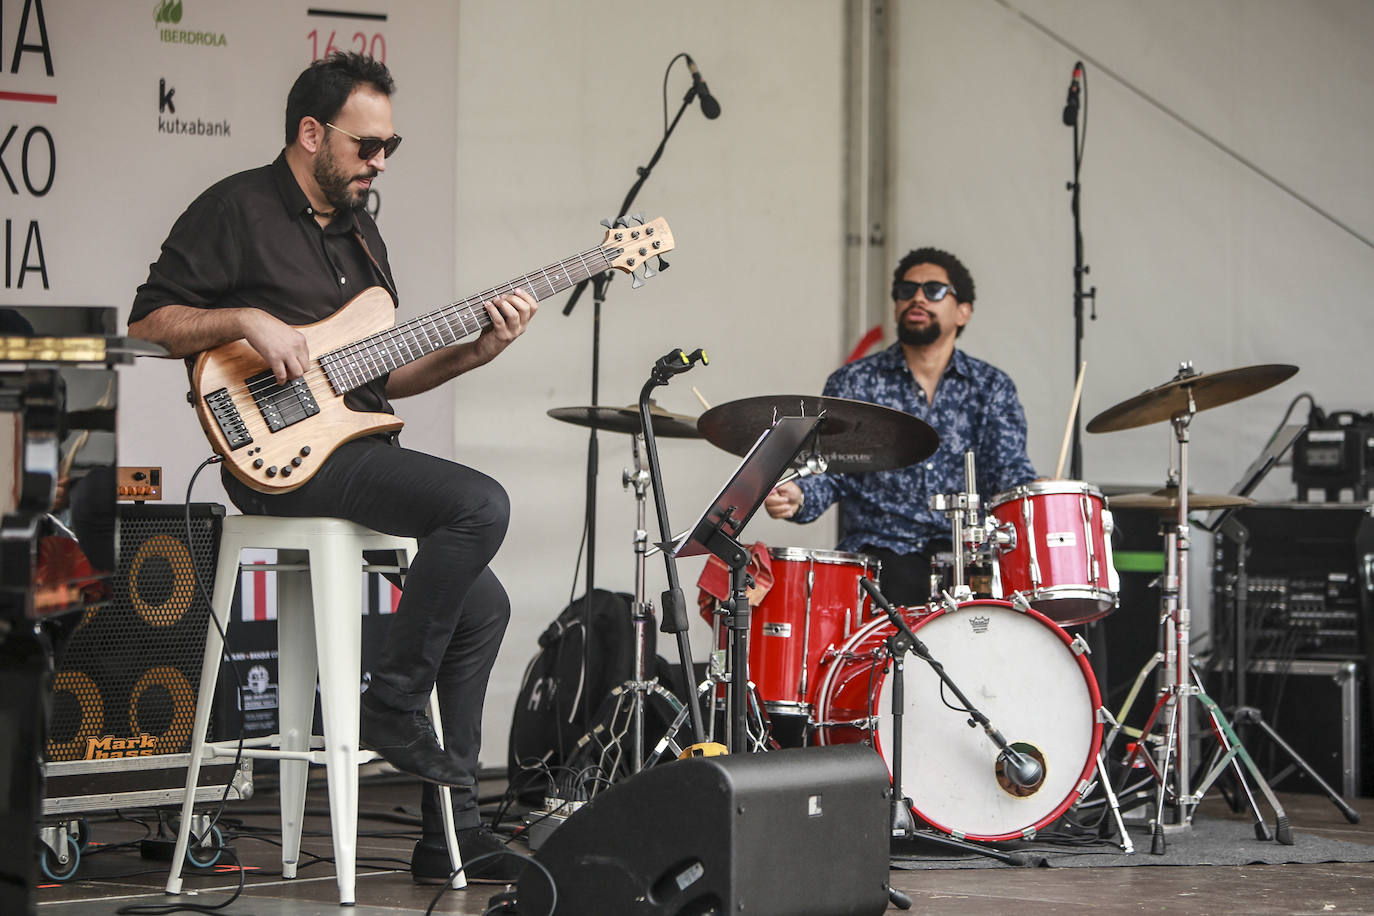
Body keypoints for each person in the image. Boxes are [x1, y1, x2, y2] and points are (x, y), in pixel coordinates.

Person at [127, 52, 533, 884]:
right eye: (367, 146)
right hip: (279, 462)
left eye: (391, 147)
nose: (379, 162)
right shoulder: (235, 206)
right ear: (312, 133)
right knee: (480, 505)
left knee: (484, 605)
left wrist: (477, 353)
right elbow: (149, 320)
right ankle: (390, 701)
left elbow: (380, 381)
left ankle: (445, 832)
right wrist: (247, 319)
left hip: (353, 448)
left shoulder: (361, 231)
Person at [764, 247, 1036, 606]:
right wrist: (799, 497)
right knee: (898, 584)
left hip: (968, 556)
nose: (918, 298)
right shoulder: (854, 383)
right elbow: (830, 469)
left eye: (935, 290)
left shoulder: (991, 386)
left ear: (963, 311)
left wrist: (1037, 491)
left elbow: (1008, 471)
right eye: (907, 291)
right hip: (881, 554)